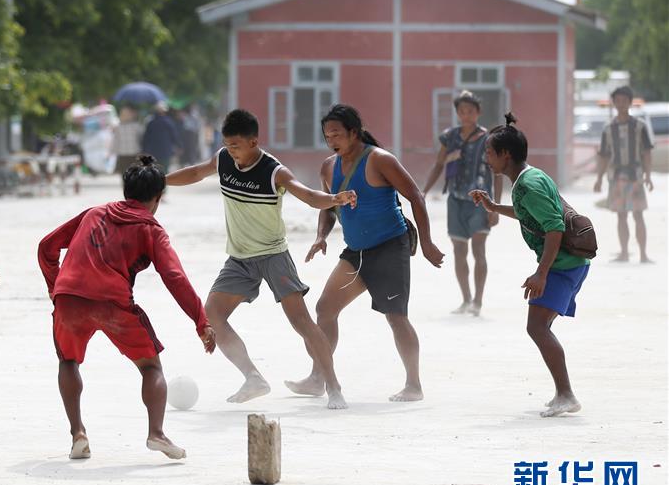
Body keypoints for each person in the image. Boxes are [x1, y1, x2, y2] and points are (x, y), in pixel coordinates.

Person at [167, 109, 356, 409]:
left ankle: (333, 387)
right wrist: (161, 181)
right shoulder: (224, 159)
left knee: (302, 322)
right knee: (212, 315)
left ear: (254, 141)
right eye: (227, 145)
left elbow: (307, 195)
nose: (232, 152)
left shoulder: (274, 171)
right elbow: (194, 172)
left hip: (273, 255)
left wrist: (334, 199)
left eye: (236, 146)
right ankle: (253, 377)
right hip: (239, 258)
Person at [38, 155, 216, 460]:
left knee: (68, 362)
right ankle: (156, 434)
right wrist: (201, 321)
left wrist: (57, 289)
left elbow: (47, 246)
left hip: (70, 300)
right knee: (150, 366)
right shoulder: (151, 229)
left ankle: (78, 434)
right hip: (114, 304)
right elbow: (174, 277)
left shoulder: (94, 213)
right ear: (158, 198)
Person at [288, 104, 445, 403]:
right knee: (325, 309)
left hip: (389, 247)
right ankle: (318, 377)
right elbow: (328, 206)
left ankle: (414, 385)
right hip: (356, 252)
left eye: (337, 134)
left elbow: (415, 195)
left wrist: (426, 242)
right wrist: (321, 236)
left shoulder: (380, 160)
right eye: (327, 135)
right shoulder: (328, 167)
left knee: (396, 317)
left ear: (354, 133)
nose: (332, 140)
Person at [470, 113, 587, 418]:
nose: (486, 159)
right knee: (540, 326)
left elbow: (554, 228)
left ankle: (566, 394)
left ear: (505, 155)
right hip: (566, 262)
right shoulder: (528, 178)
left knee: (536, 327)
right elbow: (531, 215)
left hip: (563, 264)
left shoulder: (529, 185)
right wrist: (494, 207)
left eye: (489, 152)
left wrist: (541, 273)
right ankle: (562, 392)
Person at [422, 90, 502, 315]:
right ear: (457, 113)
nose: (466, 115)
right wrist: (424, 191)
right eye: (462, 111)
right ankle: (465, 298)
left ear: (478, 113)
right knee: (458, 251)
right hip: (455, 199)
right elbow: (439, 165)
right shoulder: (450, 137)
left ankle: (478, 301)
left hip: (481, 201)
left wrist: (494, 206)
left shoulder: (488, 139)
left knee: (479, 250)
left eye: (470, 111)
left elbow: (497, 173)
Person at [594, 85, 655, 263]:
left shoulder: (639, 126)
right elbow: (604, 155)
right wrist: (598, 178)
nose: (620, 104)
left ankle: (643, 254)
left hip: (635, 176)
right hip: (616, 177)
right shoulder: (608, 128)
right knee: (621, 215)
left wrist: (648, 176)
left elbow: (646, 153)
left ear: (630, 102)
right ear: (613, 103)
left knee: (638, 214)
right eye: (617, 101)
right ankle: (624, 253)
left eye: (624, 100)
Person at [141, 101, 181, 170]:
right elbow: (174, 136)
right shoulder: (168, 122)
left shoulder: (151, 122)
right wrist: (179, 145)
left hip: (153, 151)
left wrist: (144, 149)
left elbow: (146, 138)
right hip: (165, 151)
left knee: (154, 170)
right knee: (164, 169)